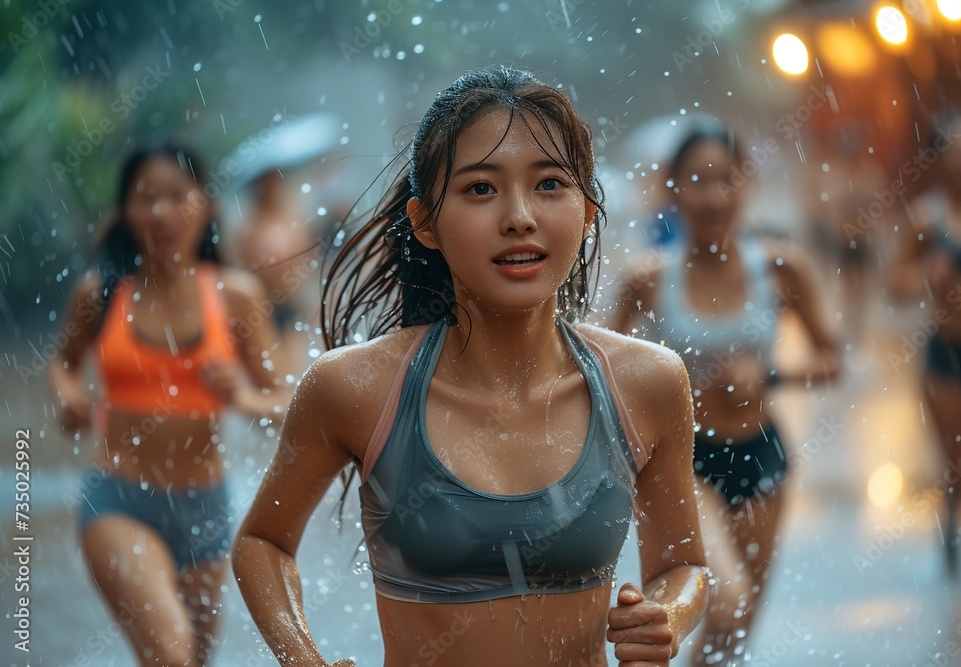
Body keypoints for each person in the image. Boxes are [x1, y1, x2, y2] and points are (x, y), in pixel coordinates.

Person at [232, 66, 709, 667]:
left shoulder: (648, 382)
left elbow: (684, 565)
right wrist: (303, 658)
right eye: (481, 188)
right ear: (425, 223)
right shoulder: (353, 389)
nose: (519, 217)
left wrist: (666, 616)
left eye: (550, 184)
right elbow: (262, 542)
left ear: (588, 211)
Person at [49, 143, 287, 665]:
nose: (160, 212)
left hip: (206, 509)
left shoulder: (235, 296)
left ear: (207, 206)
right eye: (145, 198)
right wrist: (68, 398)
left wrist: (241, 395)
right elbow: (63, 363)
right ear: (126, 213)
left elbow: (285, 399)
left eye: (178, 196)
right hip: (118, 501)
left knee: (194, 658)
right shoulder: (101, 293)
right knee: (172, 653)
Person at [613, 124, 840, 664]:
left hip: (762, 454)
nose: (714, 196)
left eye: (727, 180)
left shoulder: (782, 267)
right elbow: (605, 369)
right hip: (682, 460)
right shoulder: (648, 277)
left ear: (747, 184)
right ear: (672, 189)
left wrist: (771, 377)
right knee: (726, 600)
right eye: (697, 181)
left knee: (735, 634)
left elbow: (832, 360)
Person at [889, 114, 961, 576]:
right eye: (955, 156)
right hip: (947, 359)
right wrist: (924, 275)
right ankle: (952, 523)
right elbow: (895, 284)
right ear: (937, 164)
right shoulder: (926, 218)